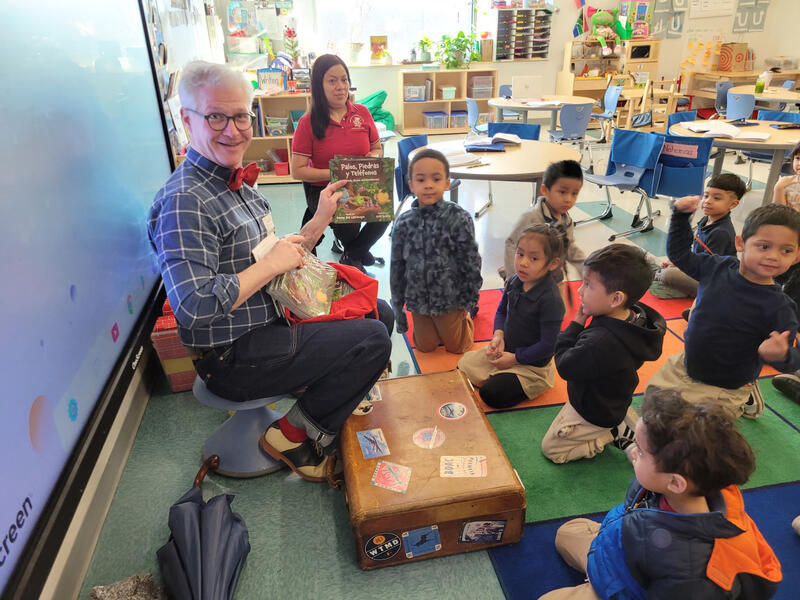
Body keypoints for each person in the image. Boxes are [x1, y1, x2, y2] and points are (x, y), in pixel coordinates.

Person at [148, 60, 392, 483]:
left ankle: (319, 390)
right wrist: (269, 265)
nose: (232, 129)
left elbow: (279, 258)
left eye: (240, 115)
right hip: (233, 357)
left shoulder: (236, 183)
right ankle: (294, 435)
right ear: (187, 121)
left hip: (273, 320)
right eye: (215, 117)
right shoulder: (186, 201)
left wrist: (319, 220)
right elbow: (194, 309)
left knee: (380, 311)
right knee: (371, 340)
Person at [538, 388, 782, 600]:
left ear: (675, 483)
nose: (634, 452)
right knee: (568, 531)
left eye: (643, 453)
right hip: (620, 555)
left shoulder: (690, 571)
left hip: (625, 588)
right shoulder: (664, 486)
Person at [646, 201, 800, 419]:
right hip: (687, 363)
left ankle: (746, 394)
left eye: (786, 250)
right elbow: (680, 256)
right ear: (741, 243)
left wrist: (781, 355)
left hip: (726, 385)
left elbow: (794, 357)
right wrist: (681, 216)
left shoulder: (781, 307)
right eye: (764, 246)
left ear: (796, 255)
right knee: (653, 407)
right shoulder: (717, 267)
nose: (774, 256)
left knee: (692, 434)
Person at [541, 244, 665, 464]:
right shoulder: (634, 317)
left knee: (552, 451)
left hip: (593, 409)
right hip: (614, 396)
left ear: (616, 298)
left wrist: (576, 324)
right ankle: (622, 422)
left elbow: (564, 365)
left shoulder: (600, 342)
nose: (579, 290)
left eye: (588, 285)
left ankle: (612, 434)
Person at [291, 54, 387, 271]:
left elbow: (376, 148)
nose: (340, 86)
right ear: (319, 85)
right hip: (325, 190)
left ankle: (353, 253)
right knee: (348, 216)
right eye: (332, 81)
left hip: (361, 182)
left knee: (384, 210)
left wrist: (370, 160)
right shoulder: (308, 122)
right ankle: (357, 254)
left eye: (344, 79)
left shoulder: (361, 113)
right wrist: (339, 173)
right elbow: (297, 171)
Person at [459, 224, 567, 409]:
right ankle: (498, 375)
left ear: (552, 264)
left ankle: (526, 383)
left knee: (491, 395)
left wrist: (515, 359)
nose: (523, 262)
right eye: (520, 254)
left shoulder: (551, 300)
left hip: (532, 366)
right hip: (505, 350)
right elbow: (501, 311)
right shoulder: (515, 280)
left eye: (534, 258)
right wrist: (498, 335)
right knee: (463, 365)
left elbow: (549, 345)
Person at [391, 148, 482, 353]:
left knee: (456, 347)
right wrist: (398, 303)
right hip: (418, 299)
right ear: (411, 184)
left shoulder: (459, 218)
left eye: (436, 178)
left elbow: (471, 260)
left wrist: (469, 296)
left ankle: (465, 319)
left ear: (447, 182)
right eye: (421, 180)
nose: (429, 185)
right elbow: (397, 265)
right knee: (425, 347)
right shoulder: (404, 222)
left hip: (449, 298)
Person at [499, 160, 586, 298]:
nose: (568, 199)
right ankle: (505, 274)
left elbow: (568, 247)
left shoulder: (566, 221)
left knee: (557, 313)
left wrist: (586, 271)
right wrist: (513, 277)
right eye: (562, 192)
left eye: (574, 193)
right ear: (545, 190)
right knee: (522, 315)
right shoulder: (531, 217)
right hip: (528, 279)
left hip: (554, 279)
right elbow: (511, 243)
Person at [652, 173, 743, 300]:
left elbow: (709, 270)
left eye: (716, 198)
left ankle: (657, 278)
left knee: (668, 275)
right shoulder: (706, 220)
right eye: (706, 196)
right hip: (700, 270)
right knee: (664, 267)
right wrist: (679, 264)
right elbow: (696, 255)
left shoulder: (721, 232)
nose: (707, 201)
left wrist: (681, 267)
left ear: (733, 204)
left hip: (714, 282)